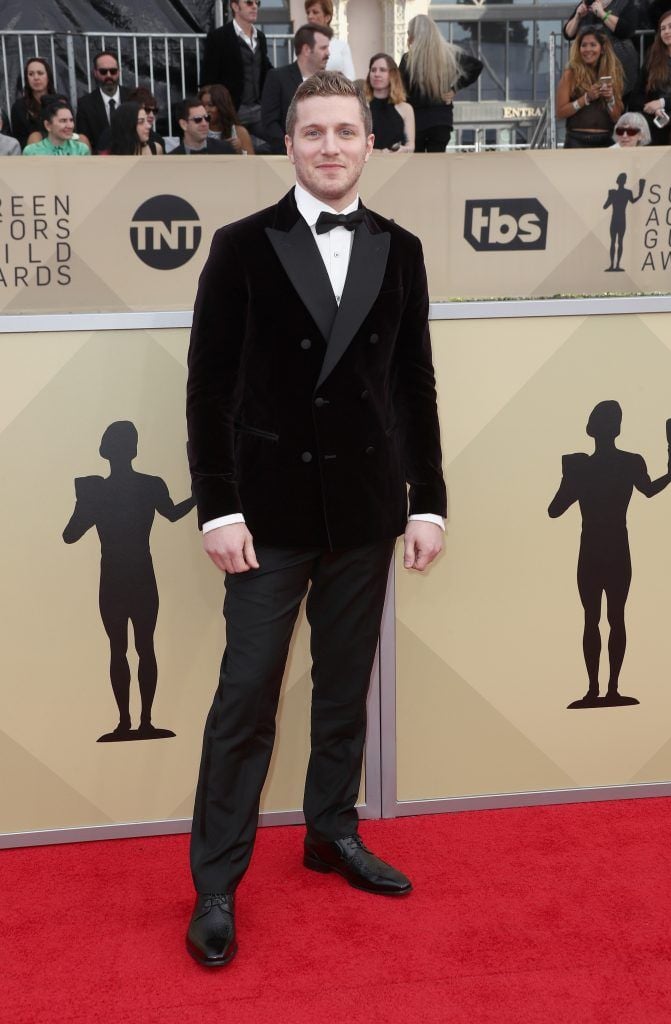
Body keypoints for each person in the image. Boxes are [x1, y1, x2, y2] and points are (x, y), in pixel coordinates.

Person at [185, 70, 446, 968]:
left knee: (342, 688)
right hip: (266, 513)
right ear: (286, 144)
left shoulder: (399, 248)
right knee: (246, 695)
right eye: (313, 133)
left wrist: (429, 501)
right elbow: (208, 388)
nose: (330, 147)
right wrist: (215, 507)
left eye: (345, 131)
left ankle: (330, 830)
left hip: (367, 509)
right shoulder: (241, 245)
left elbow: (412, 385)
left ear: (370, 143)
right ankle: (216, 881)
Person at [63, 421, 195, 741]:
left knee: (122, 648)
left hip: (117, 576)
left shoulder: (100, 490)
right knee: (139, 647)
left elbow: (70, 534)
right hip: (136, 574)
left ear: (106, 450)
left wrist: (86, 501)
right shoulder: (149, 485)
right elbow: (175, 513)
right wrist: (200, 494)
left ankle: (130, 723)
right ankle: (138, 722)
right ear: (132, 449)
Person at [548, 401, 671, 708]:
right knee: (613, 618)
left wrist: (570, 477)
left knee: (594, 619)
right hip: (616, 549)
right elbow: (649, 489)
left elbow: (555, 509)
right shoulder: (630, 463)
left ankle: (598, 690)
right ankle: (608, 690)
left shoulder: (581, 466)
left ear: (591, 429)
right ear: (616, 428)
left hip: (593, 549)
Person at [399, 14, 483, 153]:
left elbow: (401, 91)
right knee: (437, 165)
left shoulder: (409, 60)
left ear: (414, 34)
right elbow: (476, 66)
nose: (408, 37)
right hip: (441, 120)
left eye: (409, 33)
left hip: (416, 121)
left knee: (416, 167)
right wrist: (454, 89)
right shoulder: (448, 54)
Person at [202, 0, 272, 147]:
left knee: (282, 139)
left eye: (257, 3)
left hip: (258, 110)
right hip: (232, 111)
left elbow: (266, 70)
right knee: (231, 150)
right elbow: (208, 78)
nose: (254, 6)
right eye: (249, 2)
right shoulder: (218, 37)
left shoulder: (260, 37)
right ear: (235, 6)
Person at [261, 23, 332, 154]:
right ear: (306, 50)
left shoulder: (330, 82)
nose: (328, 53)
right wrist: (292, 149)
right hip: (287, 159)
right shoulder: (277, 77)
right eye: (323, 48)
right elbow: (269, 123)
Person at [556, 26, 624, 148]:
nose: (588, 49)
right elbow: (560, 112)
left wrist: (610, 99)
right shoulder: (570, 73)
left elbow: (616, 117)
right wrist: (586, 98)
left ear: (602, 49)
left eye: (593, 45)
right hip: (576, 140)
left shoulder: (612, 73)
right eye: (584, 45)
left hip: (606, 140)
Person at [563, 0, 639, 97]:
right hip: (589, 67)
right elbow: (568, 34)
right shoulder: (586, 3)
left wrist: (603, 14)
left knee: (616, 101)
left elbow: (627, 30)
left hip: (618, 66)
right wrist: (577, 17)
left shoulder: (624, 3)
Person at [633, 9, 671, 145]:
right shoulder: (652, 57)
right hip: (655, 125)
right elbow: (637, 94)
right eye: (663, 28)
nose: (666, 31)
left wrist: (662, 103)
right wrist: (653, 108)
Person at [76, 50, 129, 154]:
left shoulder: (132, 97)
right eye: (103, 72)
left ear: (119, 72)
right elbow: (84, 139)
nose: (108, 75)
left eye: (113, 71)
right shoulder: (85, 104)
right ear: (95, 73)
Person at [365, 53, 415, 152]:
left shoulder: (406, 108)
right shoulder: (362, 107)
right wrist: (379, 152)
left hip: (397, 163)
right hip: (369, 163)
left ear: (392, 75)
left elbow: (411, 146)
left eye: (382, 70)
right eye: (373, 70)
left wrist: (402, 150)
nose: (377, 74)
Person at [10, 57, 57, 149]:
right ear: (27, 79)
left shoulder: (60, 102)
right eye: (31, 74)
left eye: (40, 73)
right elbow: (19, 140)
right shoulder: (18, 107)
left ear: (48, 77)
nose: (36, 77)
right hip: (31, 154)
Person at [305, 0, 355, 78]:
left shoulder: (341, 46)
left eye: (315, 12)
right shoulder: (303, 47)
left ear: (327, 17)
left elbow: (351, 79)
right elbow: (297, 79)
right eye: (308, 13)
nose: (310, 16)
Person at [198, 83, 254, 153]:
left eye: (210, 105)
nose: (205, 110)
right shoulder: (196, 130)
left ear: (222, 106)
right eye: (202, 105)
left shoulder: (239, 132)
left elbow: (252, 162)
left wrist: (239, 151)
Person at [170, 97, 237, 154]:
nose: (204, 123)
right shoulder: (171, 159)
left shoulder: (225, 150)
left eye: (207, 118)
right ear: (183, 124)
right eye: (198, 119)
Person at [22, 102, 90, 156]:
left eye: (71, 120)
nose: (70, 126)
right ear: (48, 125)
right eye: (63, 121)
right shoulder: (32, 151)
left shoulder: (81, 150)